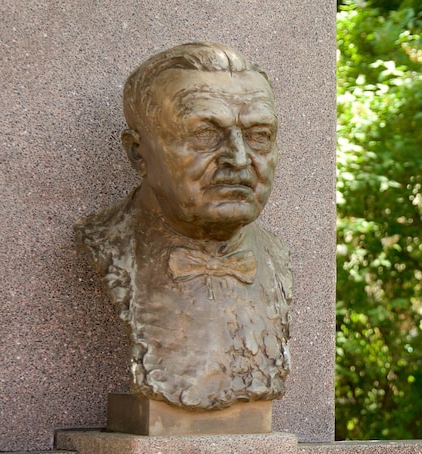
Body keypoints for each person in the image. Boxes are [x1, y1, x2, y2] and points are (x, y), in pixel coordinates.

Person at [75, 43, 292, 410]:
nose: (239, 159)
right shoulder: (106, 243)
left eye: (259, 136)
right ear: (137, 153)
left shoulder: (277, 259)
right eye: (205, 134)